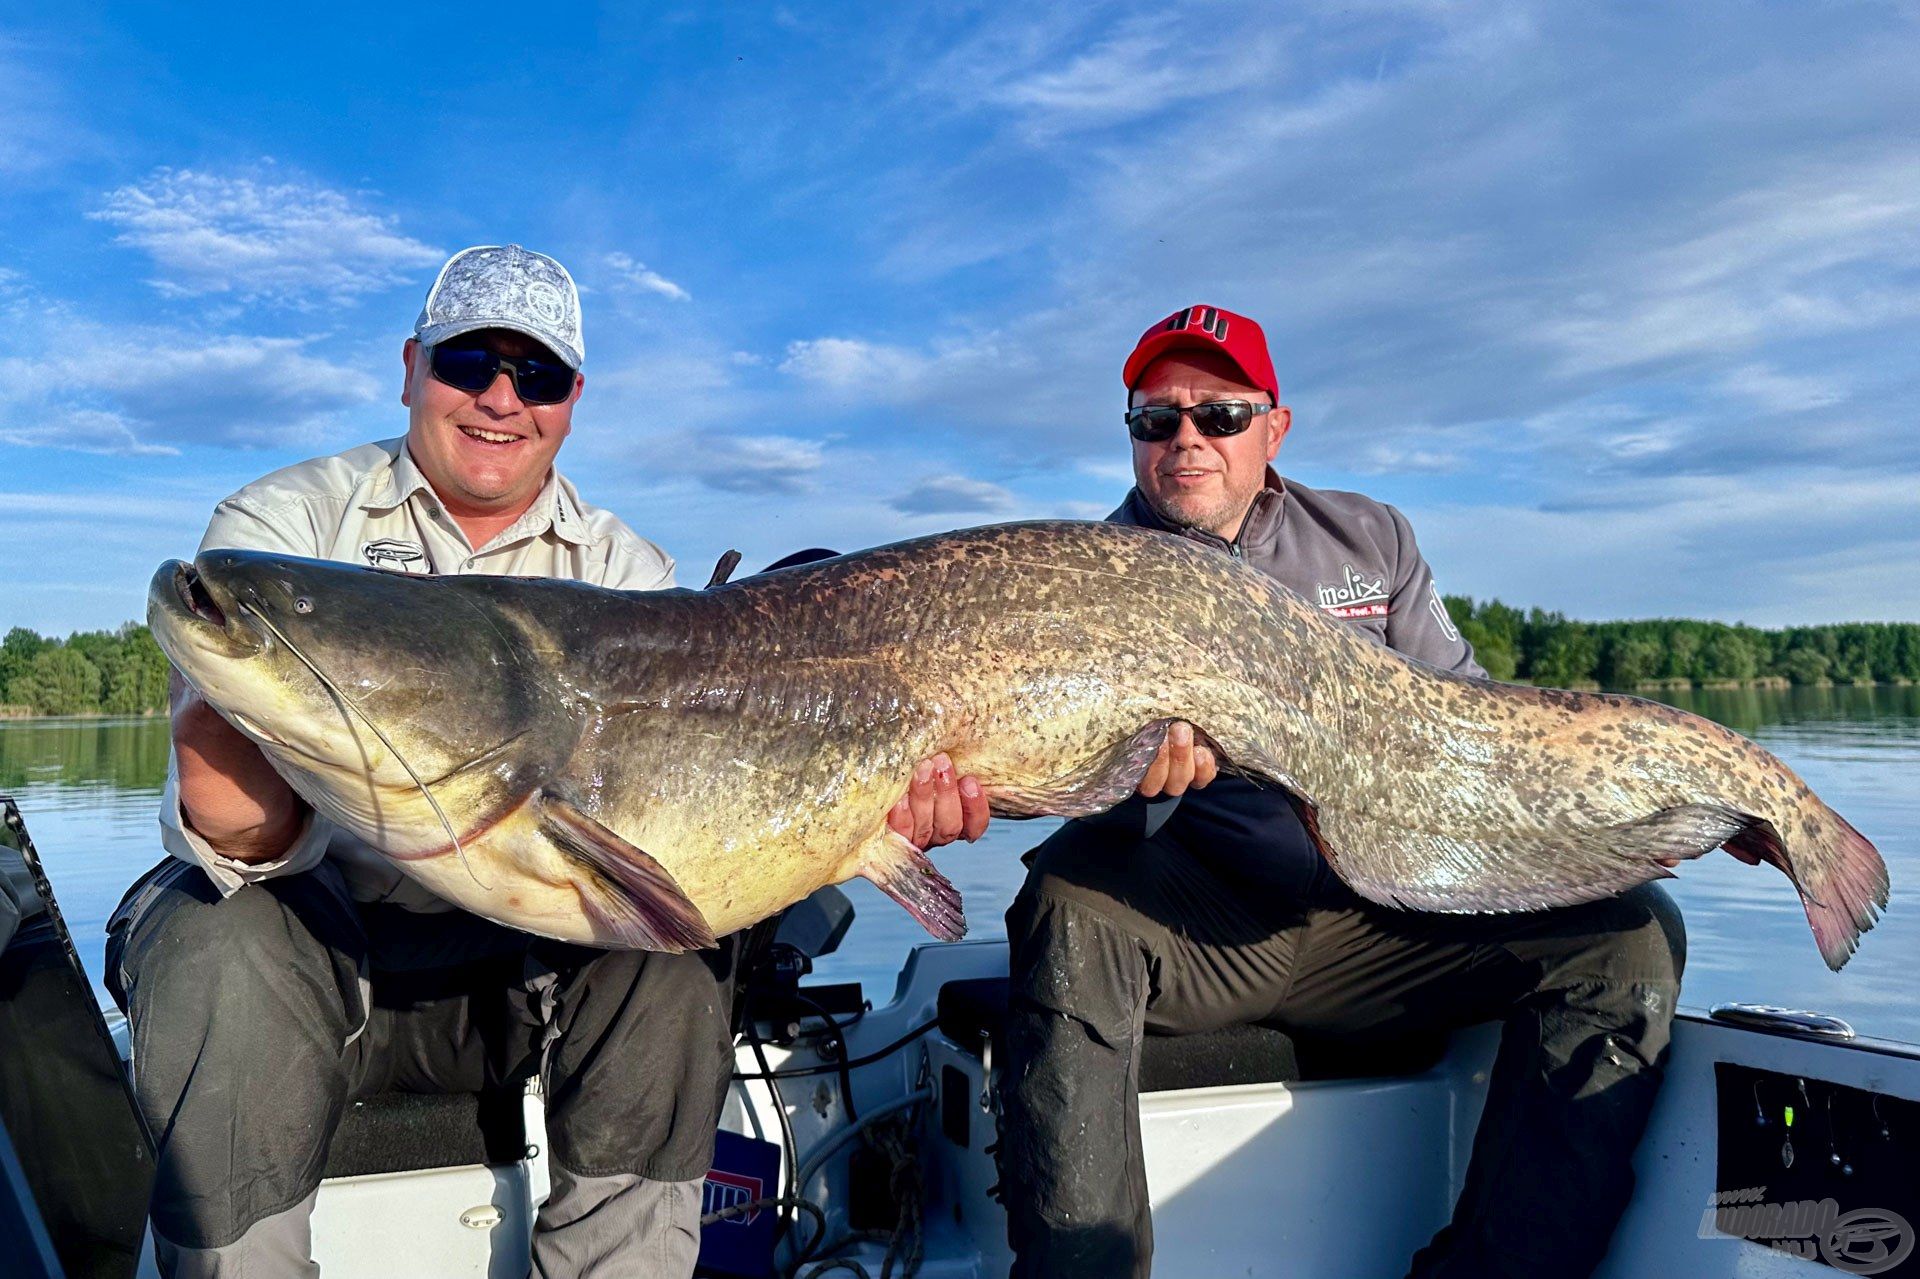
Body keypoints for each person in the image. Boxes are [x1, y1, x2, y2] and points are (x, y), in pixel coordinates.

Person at [103, 244, 988, 1279]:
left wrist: (875, 810)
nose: (500, 398)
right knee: (218, 940)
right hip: (324, 946)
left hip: (519, 967)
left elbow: (710, 844)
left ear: (573, 401)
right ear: (410, 366)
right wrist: (235, 777)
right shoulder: (281, 529)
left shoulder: (631, 575)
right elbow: (239, 831)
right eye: (468, 361)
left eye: (539, 375)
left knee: (673, 949)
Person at [990, 305, 1687, 1278]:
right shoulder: (1090, 573)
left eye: (1219, 416)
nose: (1186, 439)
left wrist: (1618, 816)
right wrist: (1133, 790)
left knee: (1628, 934)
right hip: (1203, 921)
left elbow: (1470, 729)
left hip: (1387, 922)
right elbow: (1047, 760)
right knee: (1065, 907)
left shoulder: (1373, 539)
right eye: (1157, 421)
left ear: (1274, 427)